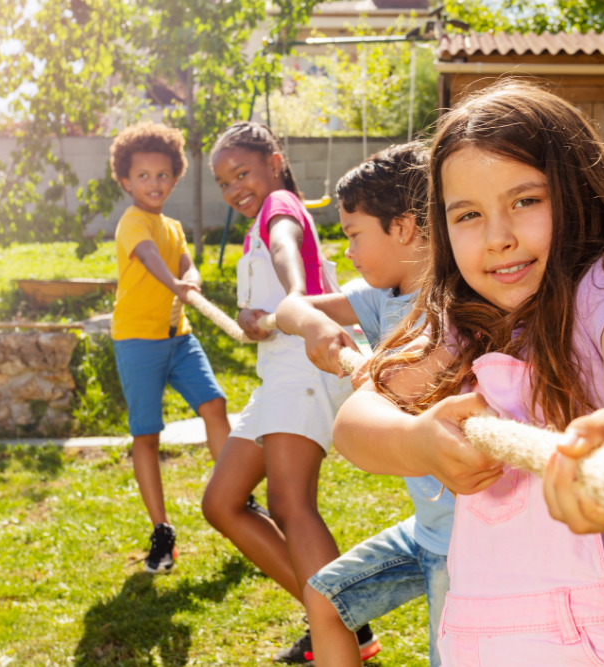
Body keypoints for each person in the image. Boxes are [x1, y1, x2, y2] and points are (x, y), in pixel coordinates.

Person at [332, 80, 604, 666]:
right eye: (468, 215)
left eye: (526, 201)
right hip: (492, 632)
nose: (499, 238)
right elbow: (356, 422)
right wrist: (417, 440)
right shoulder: (464, 321)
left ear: (578, 193)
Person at [274, 142, 453, 667]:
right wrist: (315, 325)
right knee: (325, 598)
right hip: (428, 529)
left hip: (466, 543)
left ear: (403, 227)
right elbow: (290, 308)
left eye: (354, 234)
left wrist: (369, 371)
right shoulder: (381, 298)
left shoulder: (457, 308)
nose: (347, 251)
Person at [201, 121, 371, 664]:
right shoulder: (256, 226)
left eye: (241, 173)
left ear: (274, 163)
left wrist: (296, 296)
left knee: (289, 504)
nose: (234, 189)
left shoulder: (279, 206)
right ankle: (342, 620)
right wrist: (255, 317)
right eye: (224, 183)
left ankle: (340, 630)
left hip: (305, 368)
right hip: (277, 375)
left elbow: (285, 247)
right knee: (222, 503)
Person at [109, 121, 232, 575]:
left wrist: (191, 278)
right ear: (126, 181)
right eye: (143, 175)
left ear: (175, 178)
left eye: (163, 174)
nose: (154, 183)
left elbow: (185, 263)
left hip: (178, 338)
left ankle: (236, 493)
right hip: (137, 340)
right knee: (147, 434)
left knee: (214, 404)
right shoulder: (133, 222)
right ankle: (162, 530)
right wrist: (176, 284)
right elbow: (149, 258)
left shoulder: (173, 227)